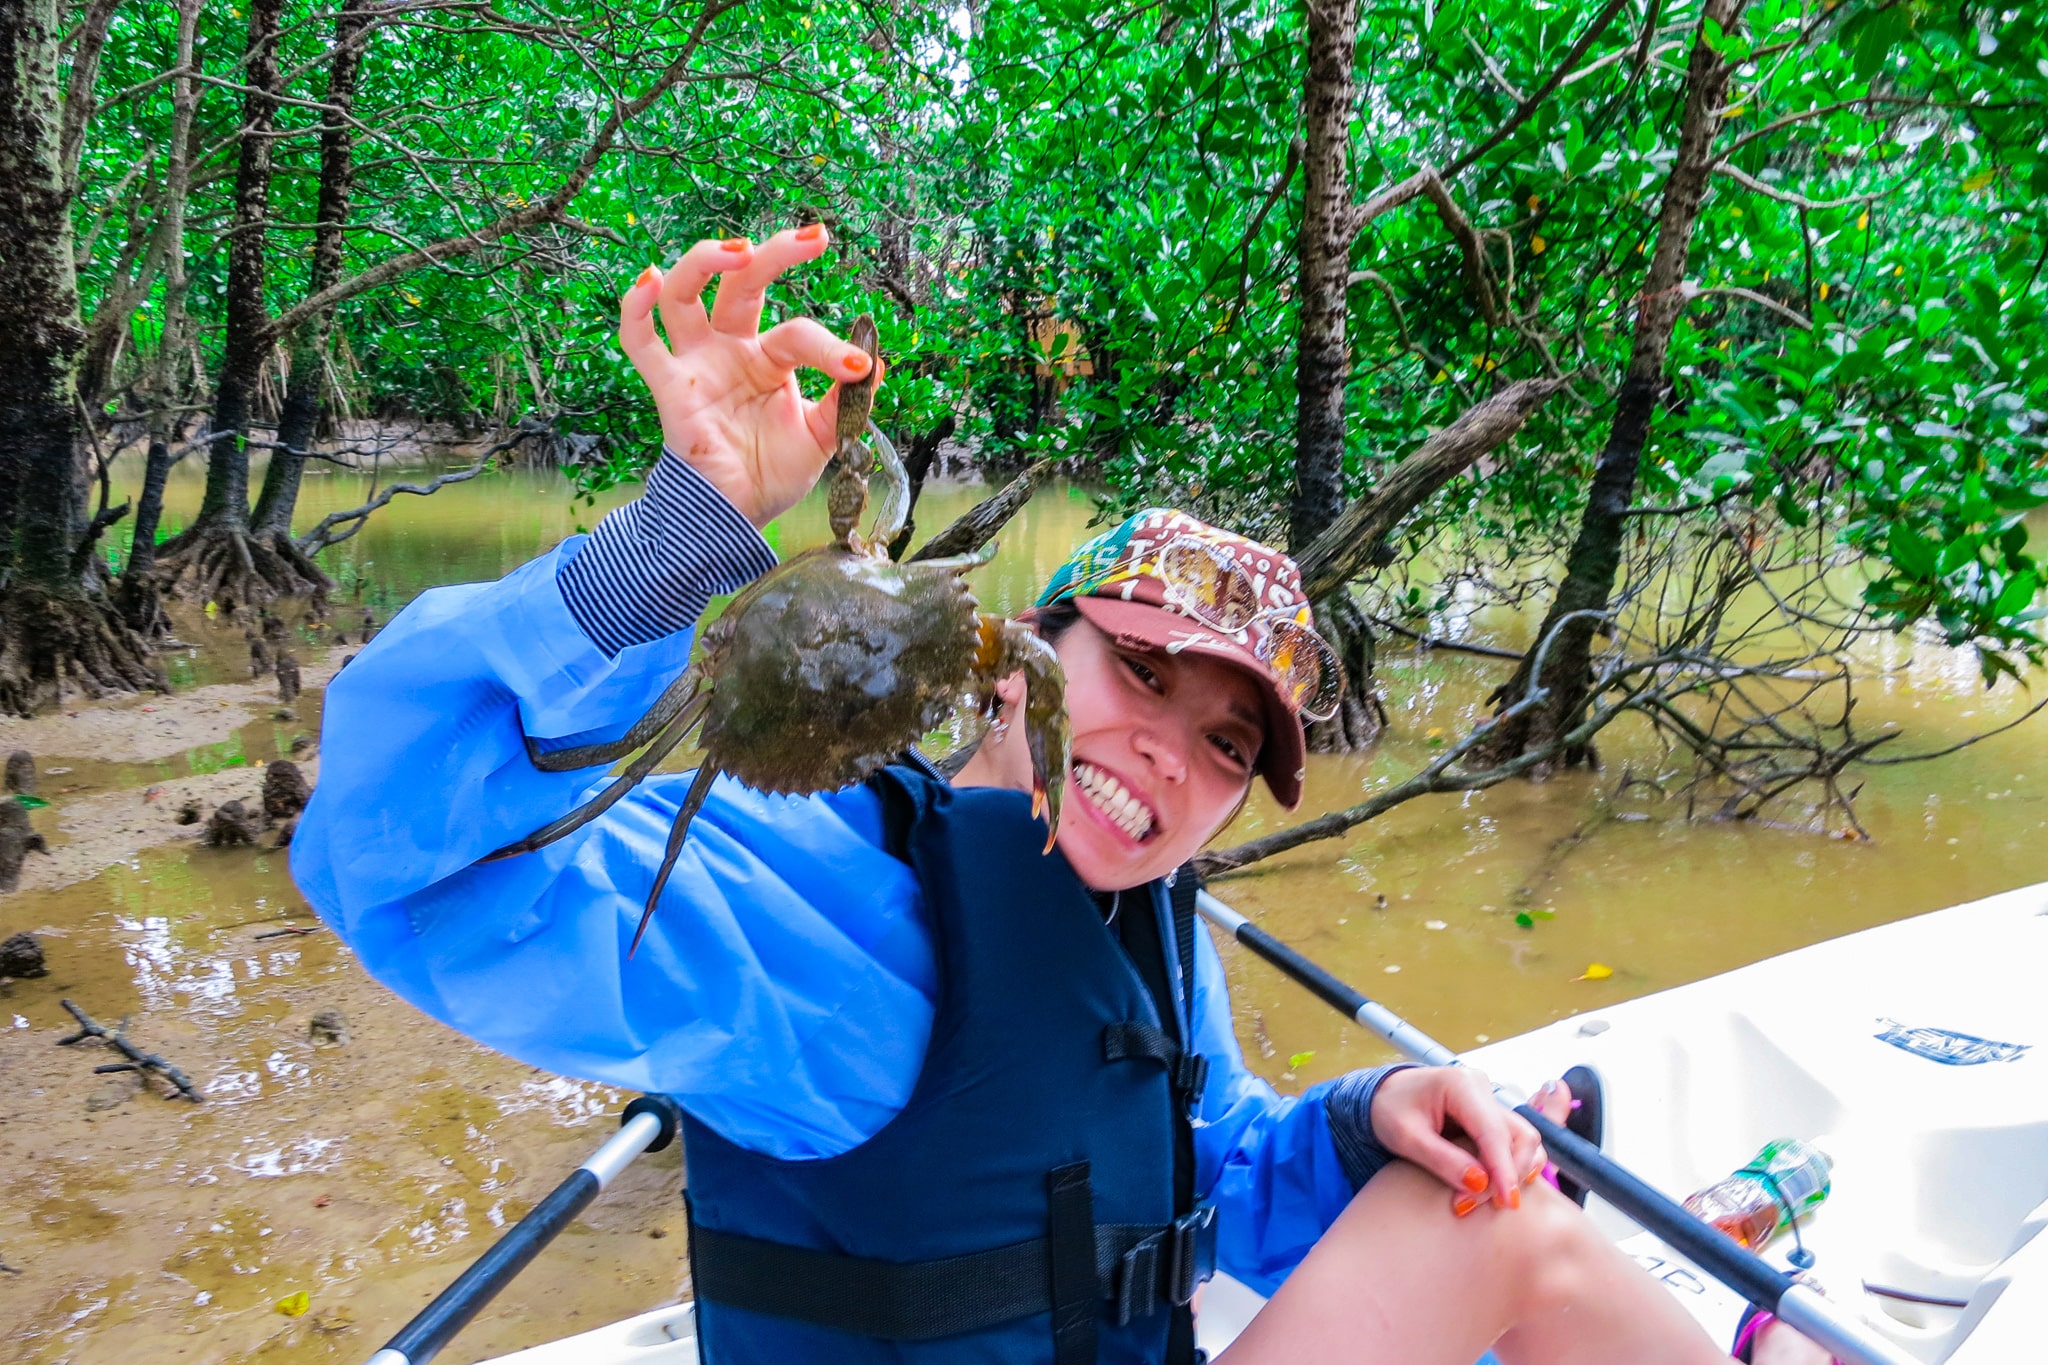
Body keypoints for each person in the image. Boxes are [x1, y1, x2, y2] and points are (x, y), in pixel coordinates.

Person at [294, 225, 1833, 1365]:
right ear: (1022, 655)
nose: (1173, 751)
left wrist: (1369, 1119)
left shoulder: (1149, 921)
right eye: (1143, 674)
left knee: (1482, 1201)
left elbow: (1196, 1178)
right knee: (1532, 1246)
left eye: (1233, 745)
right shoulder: (814, 921)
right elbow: (392, 864)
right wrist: (676, 535)